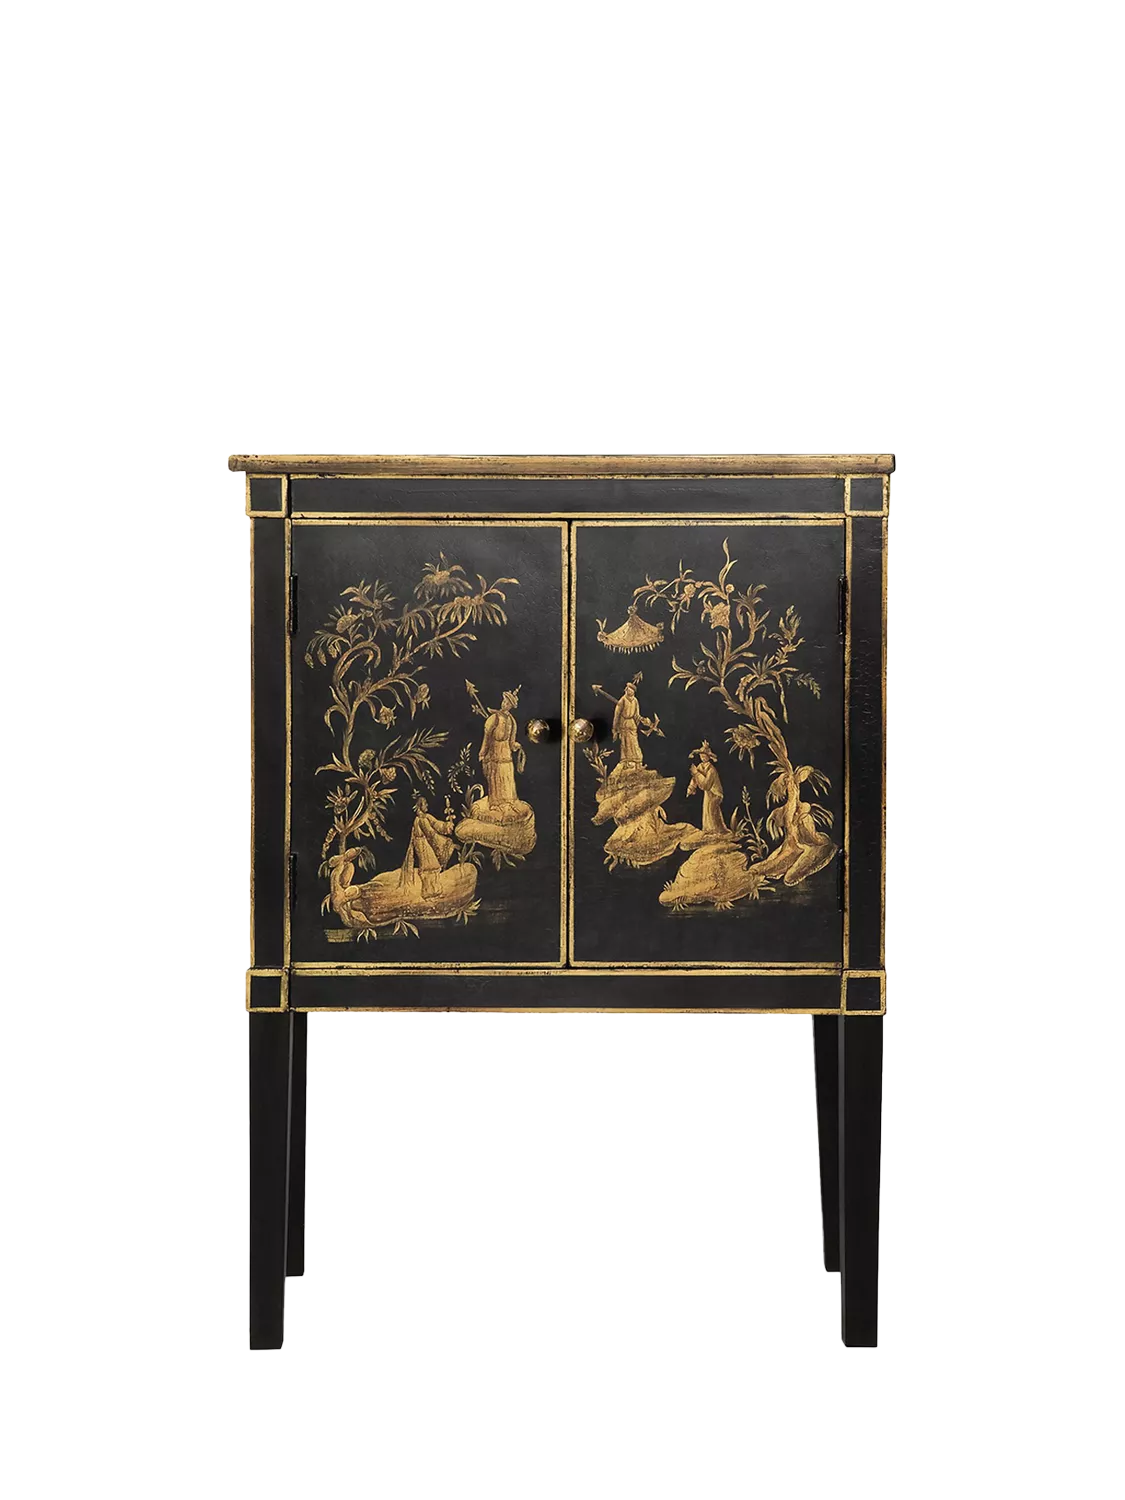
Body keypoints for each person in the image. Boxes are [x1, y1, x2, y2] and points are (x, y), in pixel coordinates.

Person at [400, 796, 456, 896]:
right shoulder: (421, 819)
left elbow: (436, 823)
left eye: (426, 803)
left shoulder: (426, 817)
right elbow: (430, 832)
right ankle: (427, 892)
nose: (427, 805)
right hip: (422, 846)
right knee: (429, 866)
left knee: (433, 866)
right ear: (420, 806)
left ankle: (435, 890)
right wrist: (443, 841)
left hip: (425, 844)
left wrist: (446, 826)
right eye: (425, 804)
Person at [479, 688, 524, 807]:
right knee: (496, 780)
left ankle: (508, 804)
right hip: (494, 756)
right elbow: (486, 738)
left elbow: (511, 742)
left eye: (508, 703)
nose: (505, 704)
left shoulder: (512, 721)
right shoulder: (494, 718)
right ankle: (495, 805)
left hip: (506, 757)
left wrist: (516, 746)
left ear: (511, 706)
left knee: (506, 779)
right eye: (504, 701)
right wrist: (483, 753)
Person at [687, 741, 729, 838]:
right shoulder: (700, 766)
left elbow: (706, 785)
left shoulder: (711, 770)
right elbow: (695, 778)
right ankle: (709, 829)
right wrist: (691, 788)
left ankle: (717, 830)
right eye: (701, 755)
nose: (703, 757)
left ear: (709, 757)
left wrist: (696, 773)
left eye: (705, 755)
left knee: (711, 808)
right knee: (706, 809)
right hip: (708, 793)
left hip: (716, 793)